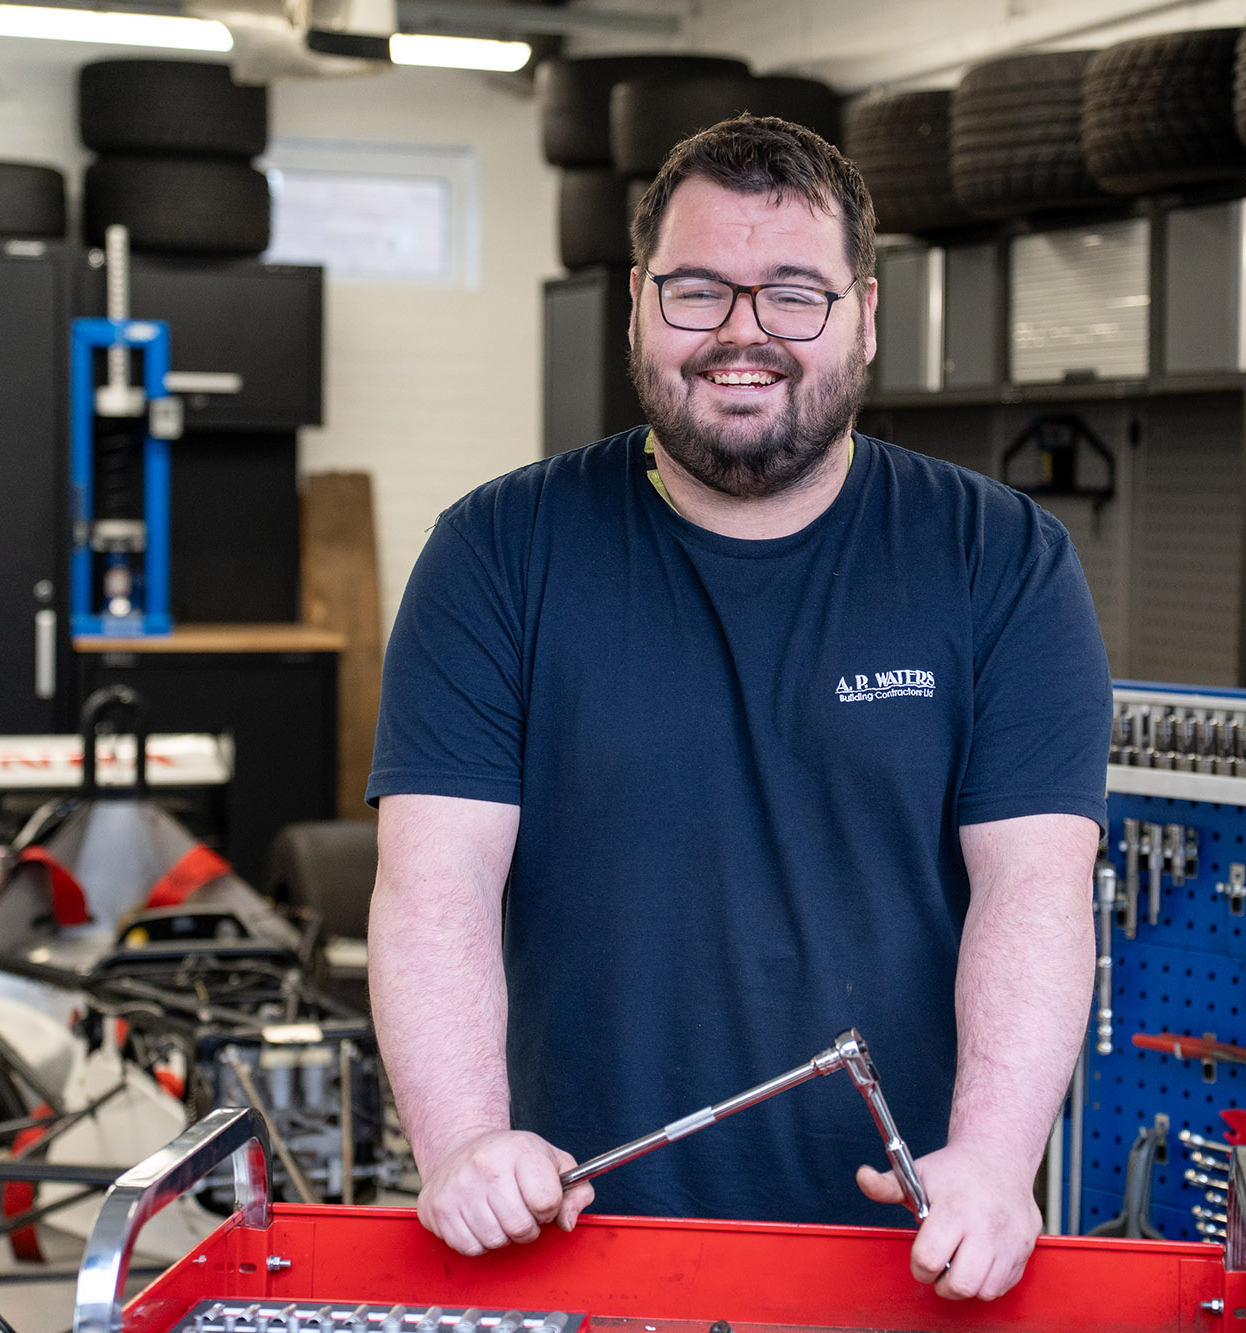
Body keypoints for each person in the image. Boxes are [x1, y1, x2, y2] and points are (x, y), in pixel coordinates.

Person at [365, 113, 1110, 1303]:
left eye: (793, 295)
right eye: (697, 290)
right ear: (635, 302)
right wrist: (461, 1139)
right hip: (568, 1249)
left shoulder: (998, 559)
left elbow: (1033, 886)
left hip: (905, 1264)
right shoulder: (496, 552)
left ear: (865, 313)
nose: (740, 334)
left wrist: (992, 1158)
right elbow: (431, 882)